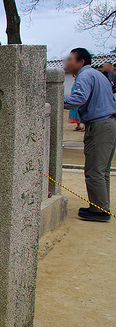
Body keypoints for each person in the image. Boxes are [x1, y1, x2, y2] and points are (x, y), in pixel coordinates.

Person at [64, 47, 116, 222]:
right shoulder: (99, 75)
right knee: (102, 170)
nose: (67, 62)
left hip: (99, 125)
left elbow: (79, 98)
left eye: (70, 59)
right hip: (109, 123)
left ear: (81, 62)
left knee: (94, 170)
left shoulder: (85, 76)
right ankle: (101, 205)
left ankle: (99, 210)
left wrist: (57, 98)